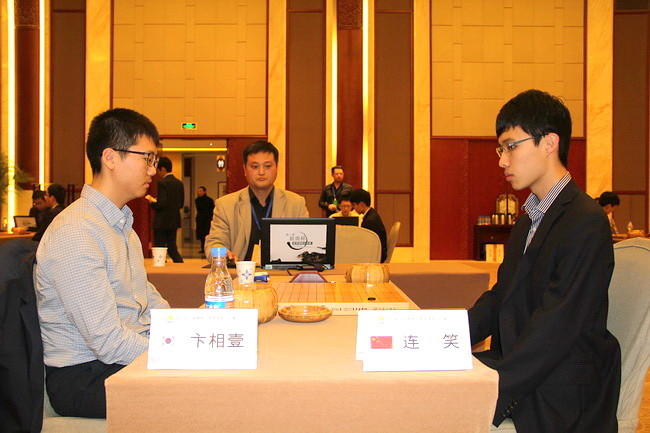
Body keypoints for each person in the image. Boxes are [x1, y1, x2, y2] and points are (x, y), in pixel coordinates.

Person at [468, 90, 620, 432]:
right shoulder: (528, 221)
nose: (502, 161)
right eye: (500, 149)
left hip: (561, 390)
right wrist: (443, 337)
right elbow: (500, 299)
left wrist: (493, 385)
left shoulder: (585, 220)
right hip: (529, 365)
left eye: (510, 146)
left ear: (549, 143)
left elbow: (559, 323)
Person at [34, 108, 170, 418]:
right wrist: (173, 353)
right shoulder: (75, 231)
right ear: (110, 157)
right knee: (202, 393)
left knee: (215, 379)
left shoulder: (120, 223)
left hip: (118, 359)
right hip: (83, 376)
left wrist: (184, 332)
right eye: (147, 158)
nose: (153, 170)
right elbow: (107, 341)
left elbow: (146, 298)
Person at [204, 140, 309, 261]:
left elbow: (306, 243)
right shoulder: (225, 205)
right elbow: (215, 242)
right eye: (254, 167)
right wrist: (223, 254)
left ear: (276, 167)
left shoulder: (296, 203)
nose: (261, 172)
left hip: (281, 271)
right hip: (240, 270)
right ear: (245, 169)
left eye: (267, 166)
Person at [146, 156, 185, 263]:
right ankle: (180, 265)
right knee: (172, 248)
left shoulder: (162, 182)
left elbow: (161, 204)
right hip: (174, 220)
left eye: (158, 170)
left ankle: (161, 268)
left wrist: (152, 202)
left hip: (161, 221)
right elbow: (181, 203)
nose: (157, 173)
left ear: (163, 169)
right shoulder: (179, 183)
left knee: (160, 248)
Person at [349, 188, 387, 262]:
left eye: (354, 205)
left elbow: (365, 244)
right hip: (378, 252)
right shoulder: (372, 214)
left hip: (376, 256)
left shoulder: (369, 221)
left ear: (361, 204)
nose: (353, 208)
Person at [195, 186, 215, 254]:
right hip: (200, 219)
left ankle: (207, 248)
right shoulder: (197, 200)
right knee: (201, 235)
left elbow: (212, 210)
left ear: (204, 191)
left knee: (207, 234)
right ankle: (202, 248)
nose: (199, 192)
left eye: (201, 191)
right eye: (198, 191)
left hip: (207, 219)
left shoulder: (209, 200)